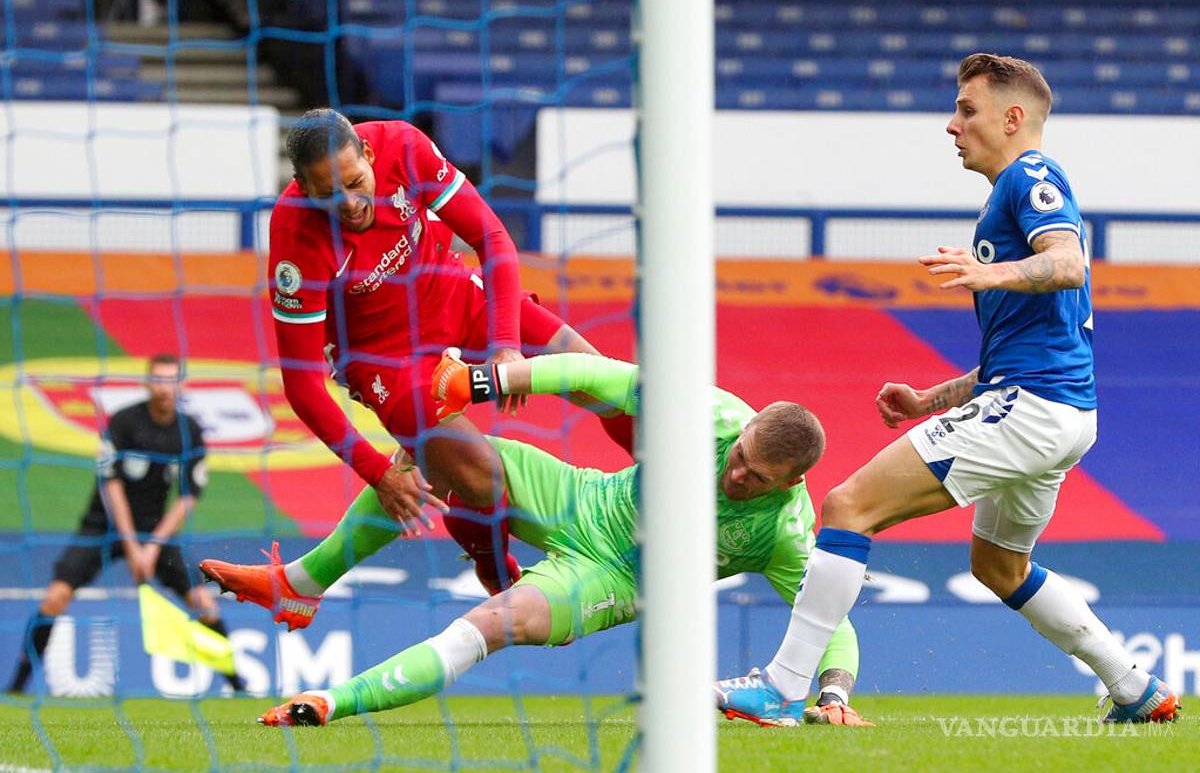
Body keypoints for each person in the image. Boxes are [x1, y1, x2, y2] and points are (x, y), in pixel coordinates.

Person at [716, 53, 1181, 725]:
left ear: (1012, 117)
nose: (952, 125)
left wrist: (992, 275)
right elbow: (1022, 352)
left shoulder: (1033, 176)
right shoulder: (1007, 198)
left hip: (1031, 412)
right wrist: (931, 400)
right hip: (1059, 411)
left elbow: (1069, 262)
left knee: (848, 506)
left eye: (967, 109)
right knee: (999, 567)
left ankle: (783, 686)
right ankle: (1134, 687)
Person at [249, 349, 869, 728]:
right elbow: (597, 375)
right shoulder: (718, 416)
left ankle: (330, 703)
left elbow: (828, 618)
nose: (736, 473)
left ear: (794, 481)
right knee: (428, 454)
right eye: (739, 456)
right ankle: (301, 584)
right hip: (581, 496)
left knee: (491, 624)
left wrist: (834, 692)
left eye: (755, 477)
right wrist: (484, 381)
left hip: (614, 578)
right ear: (747, 429)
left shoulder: (787, 530)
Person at [267, 108, 633, 602]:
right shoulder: (295, 237)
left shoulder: (404, 146)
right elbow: (302, 385)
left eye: (356, 182)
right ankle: (495, 571)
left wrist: (505, 346)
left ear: (370, 154)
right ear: (303, 188)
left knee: (597, 375)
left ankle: (663, 494)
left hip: (455, 295)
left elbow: (492, 237)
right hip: (386, 361)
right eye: (328, 194)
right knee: (481, 475)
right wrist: (378, 474)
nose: (350, 202)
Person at [7, 354, 243, 694]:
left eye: (171, 380)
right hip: (101, 528)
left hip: (155, 534)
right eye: (158, 380)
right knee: (55, 597)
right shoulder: (124, 422)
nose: (164, 388)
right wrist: (134, 546)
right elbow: (112, 485)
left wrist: (153, 546)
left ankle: (238, 685)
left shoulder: (188, 431)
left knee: (204, 603)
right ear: (147, 383)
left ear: (182, 385)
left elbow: (188, 496)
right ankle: (16, 686)